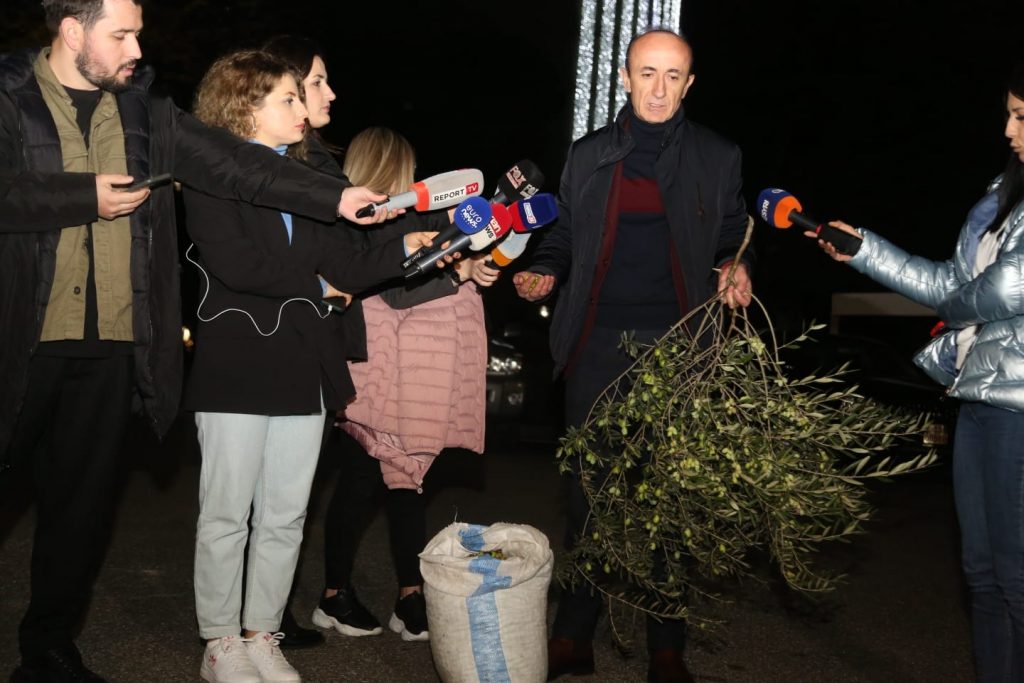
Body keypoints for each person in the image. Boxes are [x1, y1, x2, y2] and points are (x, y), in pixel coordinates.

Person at [0, 2, 392, 681]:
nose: (137, 48)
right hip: (20, 337)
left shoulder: (147, 113)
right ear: (72, 31)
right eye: (122, 34)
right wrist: (79, 197)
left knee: (79, 508)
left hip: (115, 340)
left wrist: (335, 198)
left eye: (138, 32)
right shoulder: (10, 99)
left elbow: (241, 165)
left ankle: (49, 648)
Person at [183, 53, 438, 683]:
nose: (304, 109)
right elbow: (235, 265)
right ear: (246, 107)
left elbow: (346, 264)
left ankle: (261, 634)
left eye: (302, 97)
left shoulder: (311, 183)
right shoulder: (212, 177)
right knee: (226, 514)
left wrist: (406, 248)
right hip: (237, 364)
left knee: (285, 515)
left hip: (305, 361)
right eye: (289, 99)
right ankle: (220, 641)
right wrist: (319, 287)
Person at [513, 28, 753, 683]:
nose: (659, 89)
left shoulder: (717, 155)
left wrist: (734, 263)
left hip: (678, 348)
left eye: (673, 76)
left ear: (690, 83)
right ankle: (573, 634)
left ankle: (666, 647)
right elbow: (564, 232)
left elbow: (734, 231)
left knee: (665, 496)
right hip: (597, 343)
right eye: (647, 73)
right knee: (588, 492)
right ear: (624, 77)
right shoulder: (589, 154)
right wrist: (544, 269)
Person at [809, 62, 1024, 683]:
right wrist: (864, 249)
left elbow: (1005, 289)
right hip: (978, 397)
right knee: (982, 575)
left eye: (1021, 116)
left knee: (1016, 578)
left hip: (1020, 410)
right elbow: (948, 284)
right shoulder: (1001, 198)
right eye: (1008, 114)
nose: (1008, 130)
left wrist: (958, 302)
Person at [311, 126, 499, 644]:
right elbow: (394, 292)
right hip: (372, 377)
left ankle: (409, 594)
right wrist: (456, 276)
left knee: (408, 482)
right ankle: (333, 595)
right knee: (358, 483)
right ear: (387, 168)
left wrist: (475, 263)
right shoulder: (357, 222)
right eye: (407, 169)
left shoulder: (421, 215)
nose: (416, 179)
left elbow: (452, 254)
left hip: (414, 378)